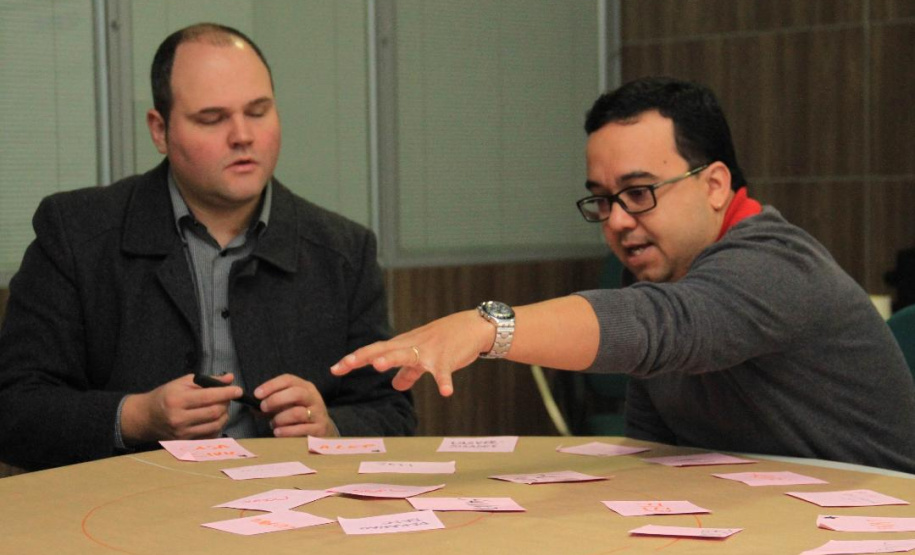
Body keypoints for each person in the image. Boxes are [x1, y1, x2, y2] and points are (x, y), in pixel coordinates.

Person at [332, 76, 915, 473]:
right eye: (601, 200)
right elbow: (652, 452)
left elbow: (664, 328)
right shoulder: (660, 279)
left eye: (638, 193)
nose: (616, 221)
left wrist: (488, 326)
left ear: (714, 185)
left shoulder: (775, 264)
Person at [0, 23, 415, 471]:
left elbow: (391, 413)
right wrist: (137, 416)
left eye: (258, 112)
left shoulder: (343, 251)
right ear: (160, 130)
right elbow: (16, 410)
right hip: (131, 511)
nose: (242, 136)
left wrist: (328, 428)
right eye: (212, 119)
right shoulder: (76, 233)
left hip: (292, 511)